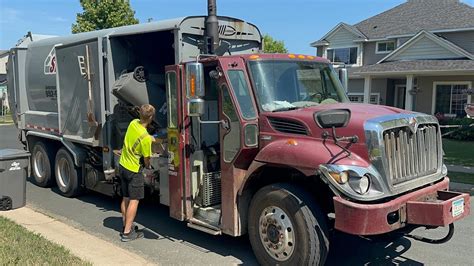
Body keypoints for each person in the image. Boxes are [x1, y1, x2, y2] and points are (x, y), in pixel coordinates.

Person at [119, 104, 156, 242]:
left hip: (122, 165)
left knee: (126, 198)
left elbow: (138, 136)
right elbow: (146, 159)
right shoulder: (146, 138)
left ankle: (125, 225)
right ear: (151, 117)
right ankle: (127, 233)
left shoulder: (133, 123)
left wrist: (150, 137)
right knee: (134, 201)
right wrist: (149, 166)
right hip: (134, 171)